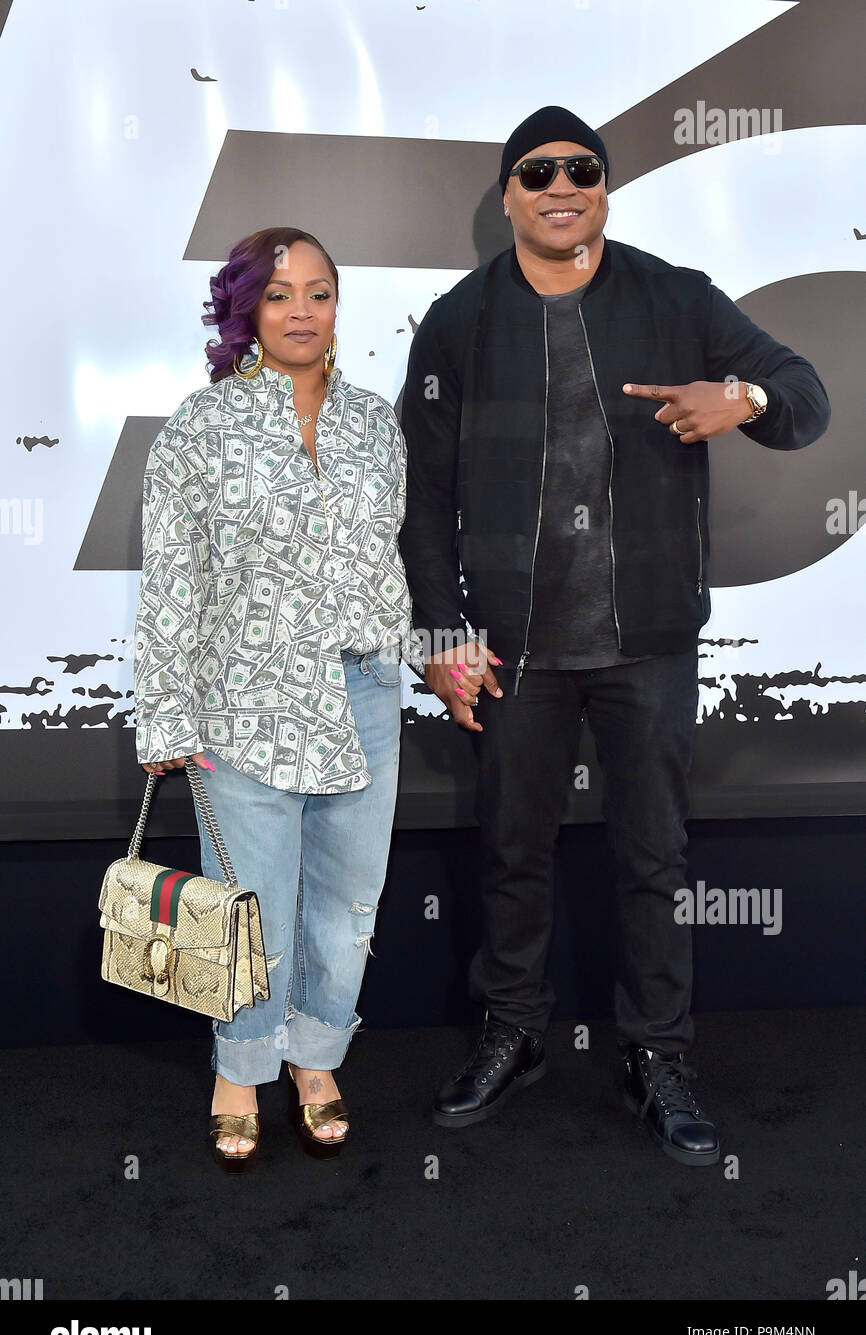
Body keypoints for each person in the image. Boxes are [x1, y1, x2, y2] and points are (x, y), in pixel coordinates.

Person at [398, 107, 830, 1165]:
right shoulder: (458, 321)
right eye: (537, 171)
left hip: (647, 641)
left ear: (602, 187)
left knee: (651, 857)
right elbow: (419, 497)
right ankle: (512, 1032)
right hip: (512, 649)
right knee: (510, 854)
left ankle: (656, 1054)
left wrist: (740, 394)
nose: (561, 184)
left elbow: (805, 401)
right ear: (506, 194)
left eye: (581, 169)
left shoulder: (673, 295)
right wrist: (440, 632)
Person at [134, 226, 417, 1167]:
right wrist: (167, 711)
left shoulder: (376, 421)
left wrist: (401, 653)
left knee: (348, 901)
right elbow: (173, 578)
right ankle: (239, 1066)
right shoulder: (199, 426)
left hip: (363, 691)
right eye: (281, 294)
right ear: (247, 309)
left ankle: (317, 1059)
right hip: (242, 699)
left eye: (321, 292)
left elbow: (388, 555)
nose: (302, 311)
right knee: (249, 902)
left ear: (339, 307)